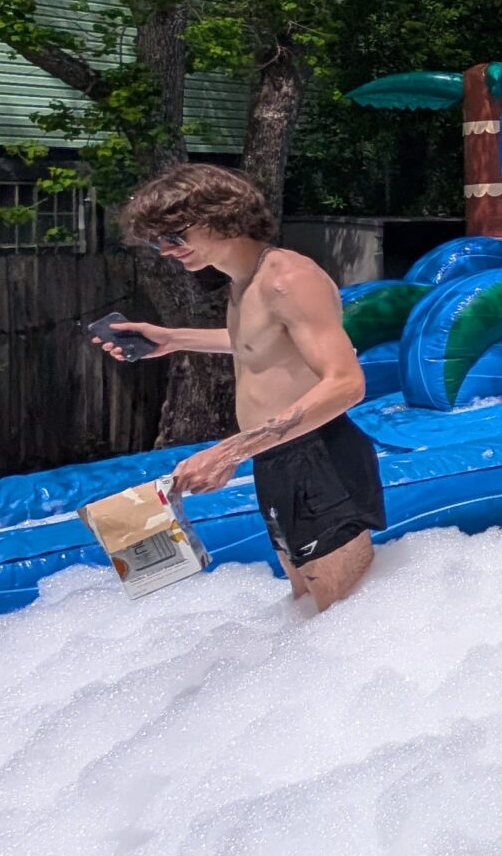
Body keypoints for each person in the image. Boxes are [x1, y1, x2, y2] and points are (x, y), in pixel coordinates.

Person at [96, 165, 381, 609]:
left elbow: (346, 383)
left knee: (342, 613)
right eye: (158, 242)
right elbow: (256, 344)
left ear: (219, 215)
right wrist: (172, 339)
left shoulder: (289, 279)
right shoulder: (243, 283)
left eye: (174, 236)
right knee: (307, 604)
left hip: (320, 456)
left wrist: (229, 451)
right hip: (274, 457)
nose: (167, 252)